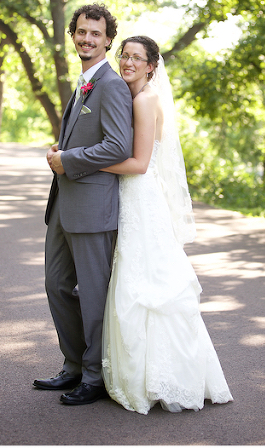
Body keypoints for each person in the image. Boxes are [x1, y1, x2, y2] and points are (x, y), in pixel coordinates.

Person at [99, 35, 233, 414]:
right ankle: (146, 373)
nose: (127, 62)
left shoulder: (144, 100)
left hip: (140, 197)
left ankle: (157, 377)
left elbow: (140, 163)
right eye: (124, 55)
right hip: (138, 196)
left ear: (151, 66)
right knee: (141, 280)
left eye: (136, 58)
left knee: (142, 282)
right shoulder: (135, 96)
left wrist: (86, 161)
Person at [36, 4, 133, 405]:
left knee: (93, 294)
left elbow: (118, 146)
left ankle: (93, 377)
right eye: (80, 32)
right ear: (72, 35)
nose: (87, 39)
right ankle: (73, 365)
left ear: (108, 39)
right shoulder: (83, 83)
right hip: (63, 203)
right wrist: (65, 149)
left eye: (95, 33)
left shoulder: (110, 84)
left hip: (93, 207)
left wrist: (68, 160)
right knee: (56, 285)